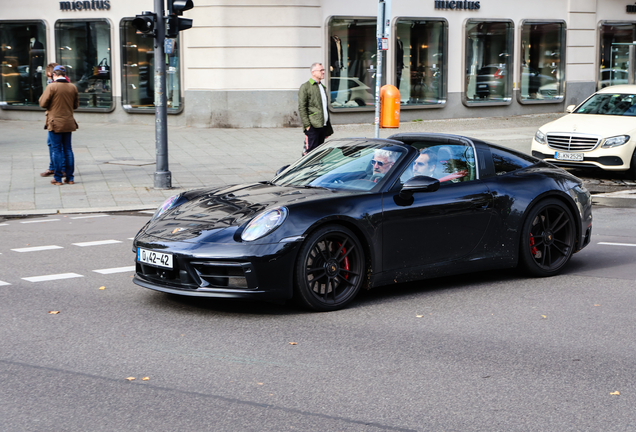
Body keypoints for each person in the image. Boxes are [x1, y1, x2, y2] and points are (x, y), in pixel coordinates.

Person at [39, 65, 79, 185]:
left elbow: (42, 103)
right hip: (68, 122)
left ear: (54, 75)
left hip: (55, 123)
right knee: (68, 149)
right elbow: (76, 105)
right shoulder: (72, 87)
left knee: (56, 150)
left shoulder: (52, 87)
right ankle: (70, 178)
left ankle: (57, 178)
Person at [298, 62, 333, 155]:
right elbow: (302, 107)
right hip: (313, 126)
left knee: (319, 153)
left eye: (323, 70)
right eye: (321, 70)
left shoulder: (322, 87)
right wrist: (307, 126)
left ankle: (317, 169)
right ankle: (305, 169)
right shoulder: (305, 87)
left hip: (322, 125)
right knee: (310, 153)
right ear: (313, 72)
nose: (323, 72)